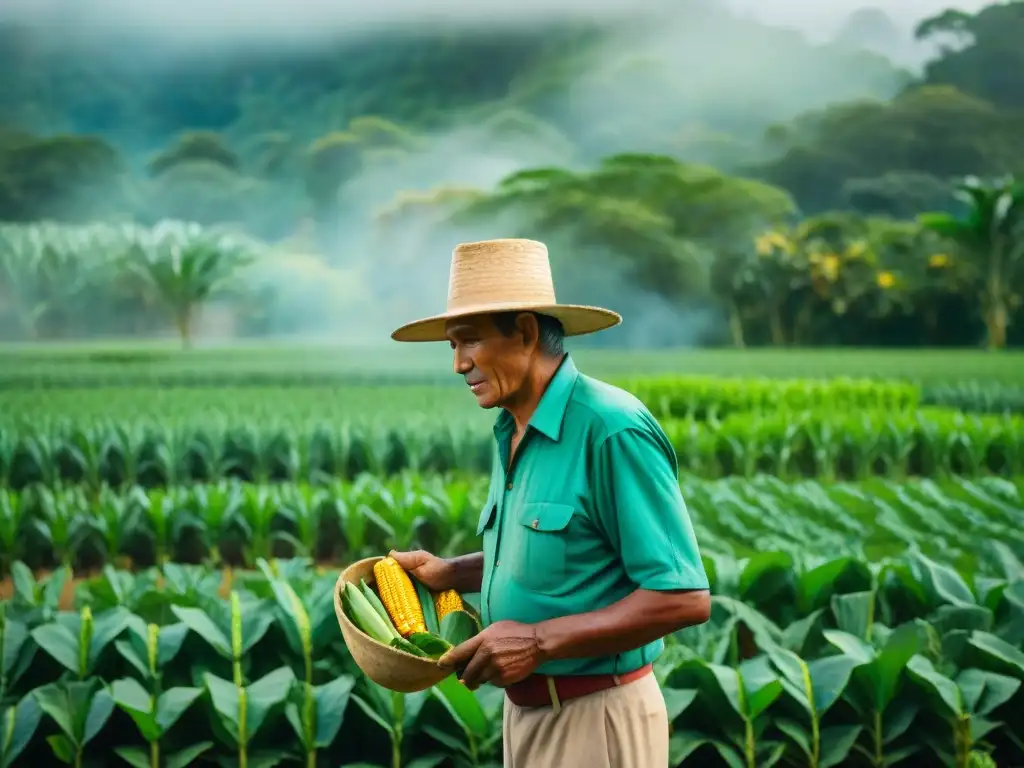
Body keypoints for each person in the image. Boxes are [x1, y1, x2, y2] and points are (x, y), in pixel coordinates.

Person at [388, 238, 711, 768]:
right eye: (451, 346)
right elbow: (562, 555)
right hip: (530, 716)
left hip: (596, 717)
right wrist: (451, 573)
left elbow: (682, 597)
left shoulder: (610, 428)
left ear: (526, 332)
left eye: (468, 341)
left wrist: (537, 641)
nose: (458, 364)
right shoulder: (512, 429)